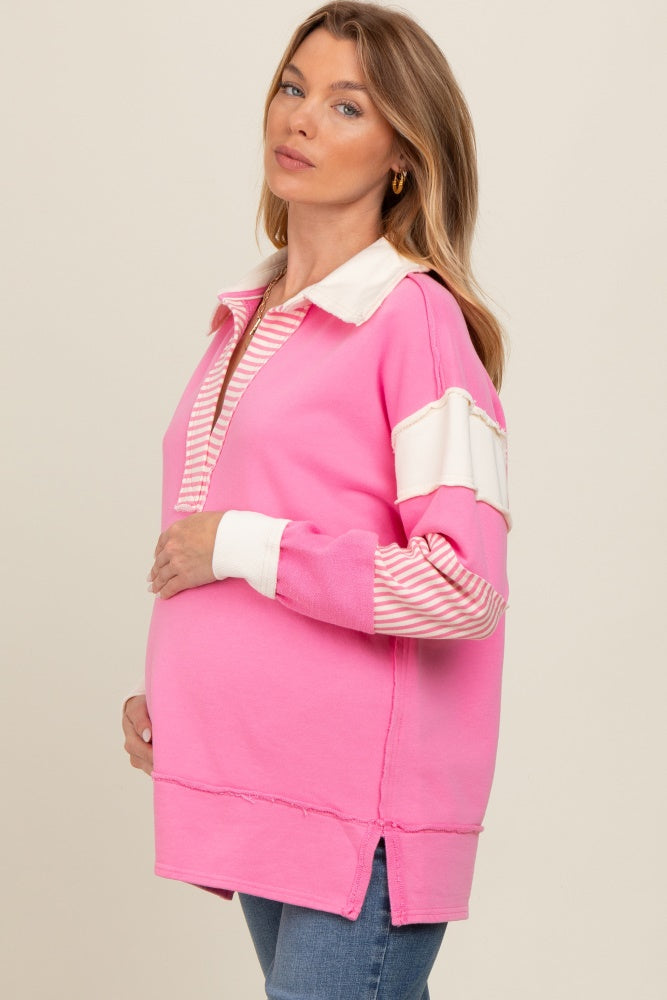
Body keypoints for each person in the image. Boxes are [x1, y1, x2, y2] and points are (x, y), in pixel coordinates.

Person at [122, 3, 510, 997]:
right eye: (292, 88)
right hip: (263, 785)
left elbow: (461, 587)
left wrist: (242, 544)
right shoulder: (247, 319)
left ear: (402, 155)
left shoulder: (414, 320)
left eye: (346, 105)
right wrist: (175, 694)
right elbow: (209, 547)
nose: (299, 118)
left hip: (359, 807)